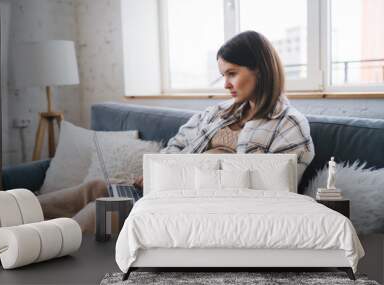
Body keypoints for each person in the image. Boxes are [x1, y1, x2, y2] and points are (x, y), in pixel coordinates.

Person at [134, 30, 315, 189]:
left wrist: (207, 168)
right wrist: (155, 176)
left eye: (232, 73)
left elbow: (276, 190)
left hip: (219, 208)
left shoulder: (290, 125)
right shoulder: (216, 112)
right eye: (223, 75)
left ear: (260, 69)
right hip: (173, 192)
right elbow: (176, 146)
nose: (226, 85)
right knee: (107, 194)